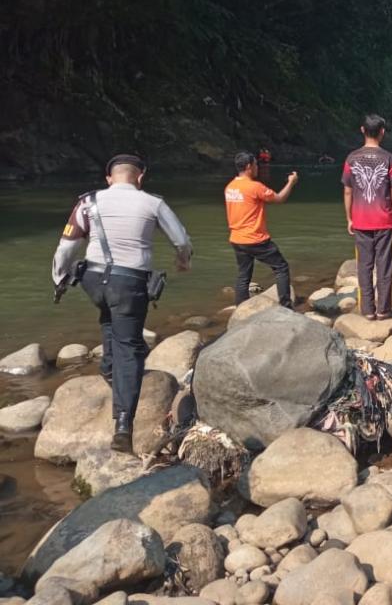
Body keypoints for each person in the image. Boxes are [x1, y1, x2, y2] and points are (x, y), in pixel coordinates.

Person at [51, 154, 192, 451]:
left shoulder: (87, 202)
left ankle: (108, 367)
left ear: (109, 178)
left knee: (109, 317)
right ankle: (124, 425)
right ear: (140, 177)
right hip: (130, 284)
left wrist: (59, 279)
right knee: (130, 347)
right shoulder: (152, 203)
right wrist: (182, 261)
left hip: (93, 281)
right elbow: (181, 239)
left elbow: (66, 248)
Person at [342, 114, 392, 320]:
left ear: (362, 130)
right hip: (385, 221)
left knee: (364, 266)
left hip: (360, 220)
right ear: (382, 132)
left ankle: (367, 310)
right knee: (384, 266)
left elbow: (348, 191)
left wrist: (349, 218)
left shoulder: (351, 158)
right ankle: (384, 309)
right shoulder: (390, 159)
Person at [224, 152, 298, 309]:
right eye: (256, 164)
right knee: (281, 268)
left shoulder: (230, 187)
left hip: (237, 239)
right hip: (255, 239)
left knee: (244, 275)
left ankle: (241, 308)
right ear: (249, 166)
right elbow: (279, 198)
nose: (258, 167)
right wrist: (291, 182)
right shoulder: (254, 187)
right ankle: (286, 306)